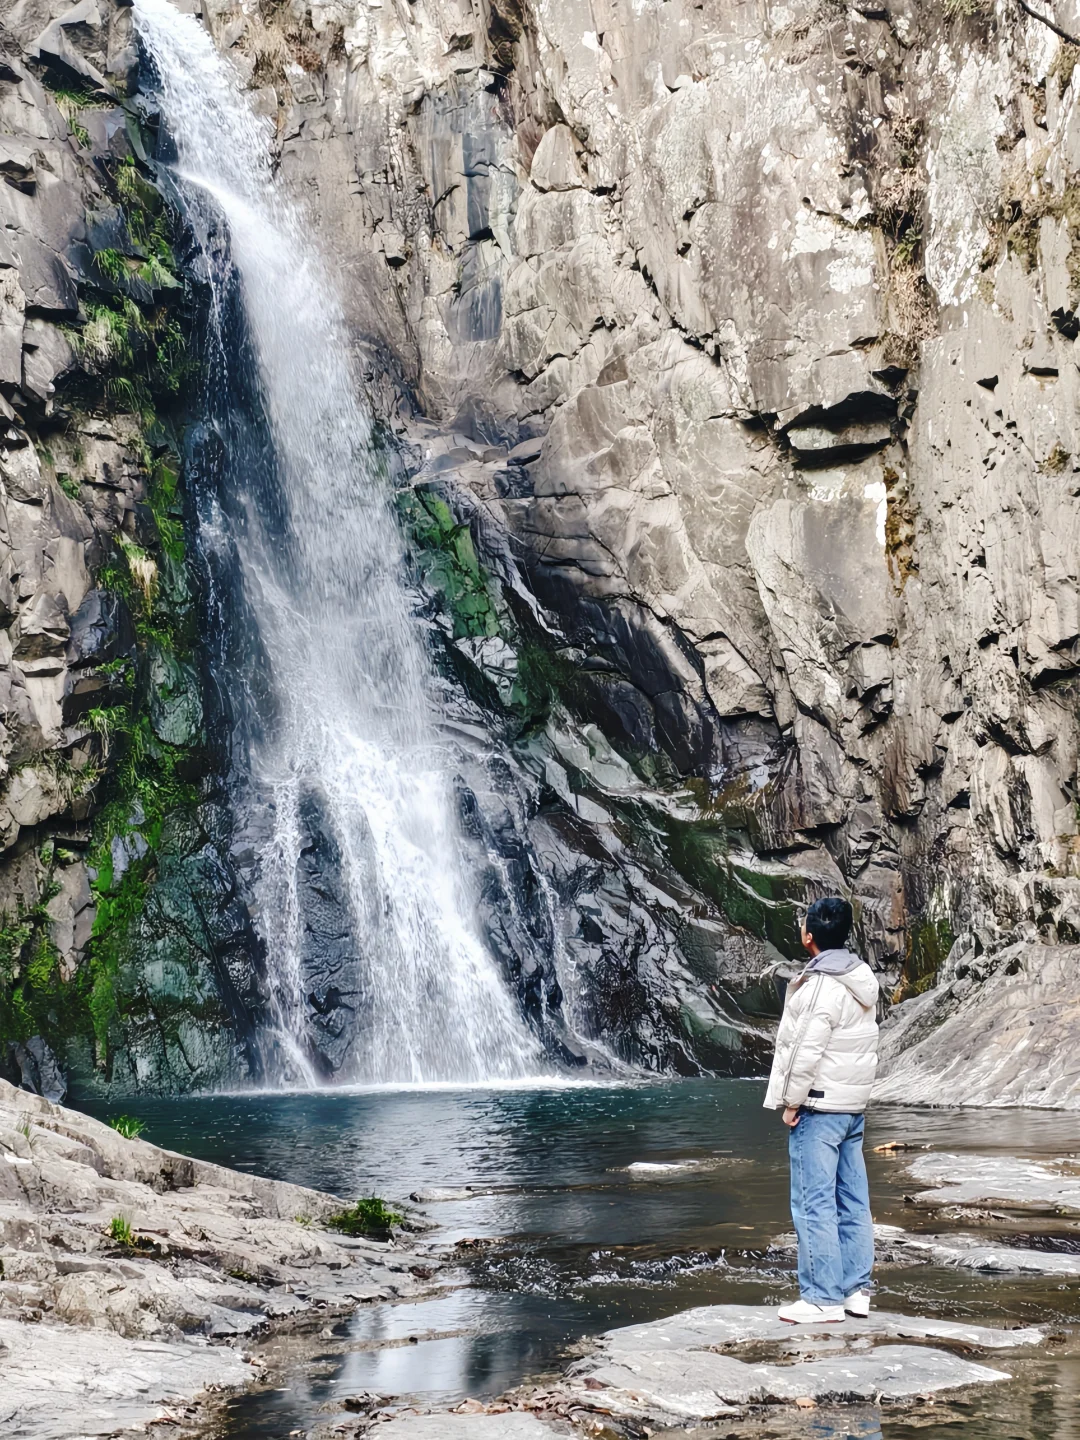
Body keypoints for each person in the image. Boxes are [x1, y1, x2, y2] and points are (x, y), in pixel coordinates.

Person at [764, 896, 881, 1324]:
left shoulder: (821, 985)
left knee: (813, 1203)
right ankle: (855, 1291)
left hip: (819, 1106)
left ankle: (821, 1298)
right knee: (852, 1200)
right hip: (851, 1106)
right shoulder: (859, 979)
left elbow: (804, 1051)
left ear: (808, 936)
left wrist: (791, 1102)